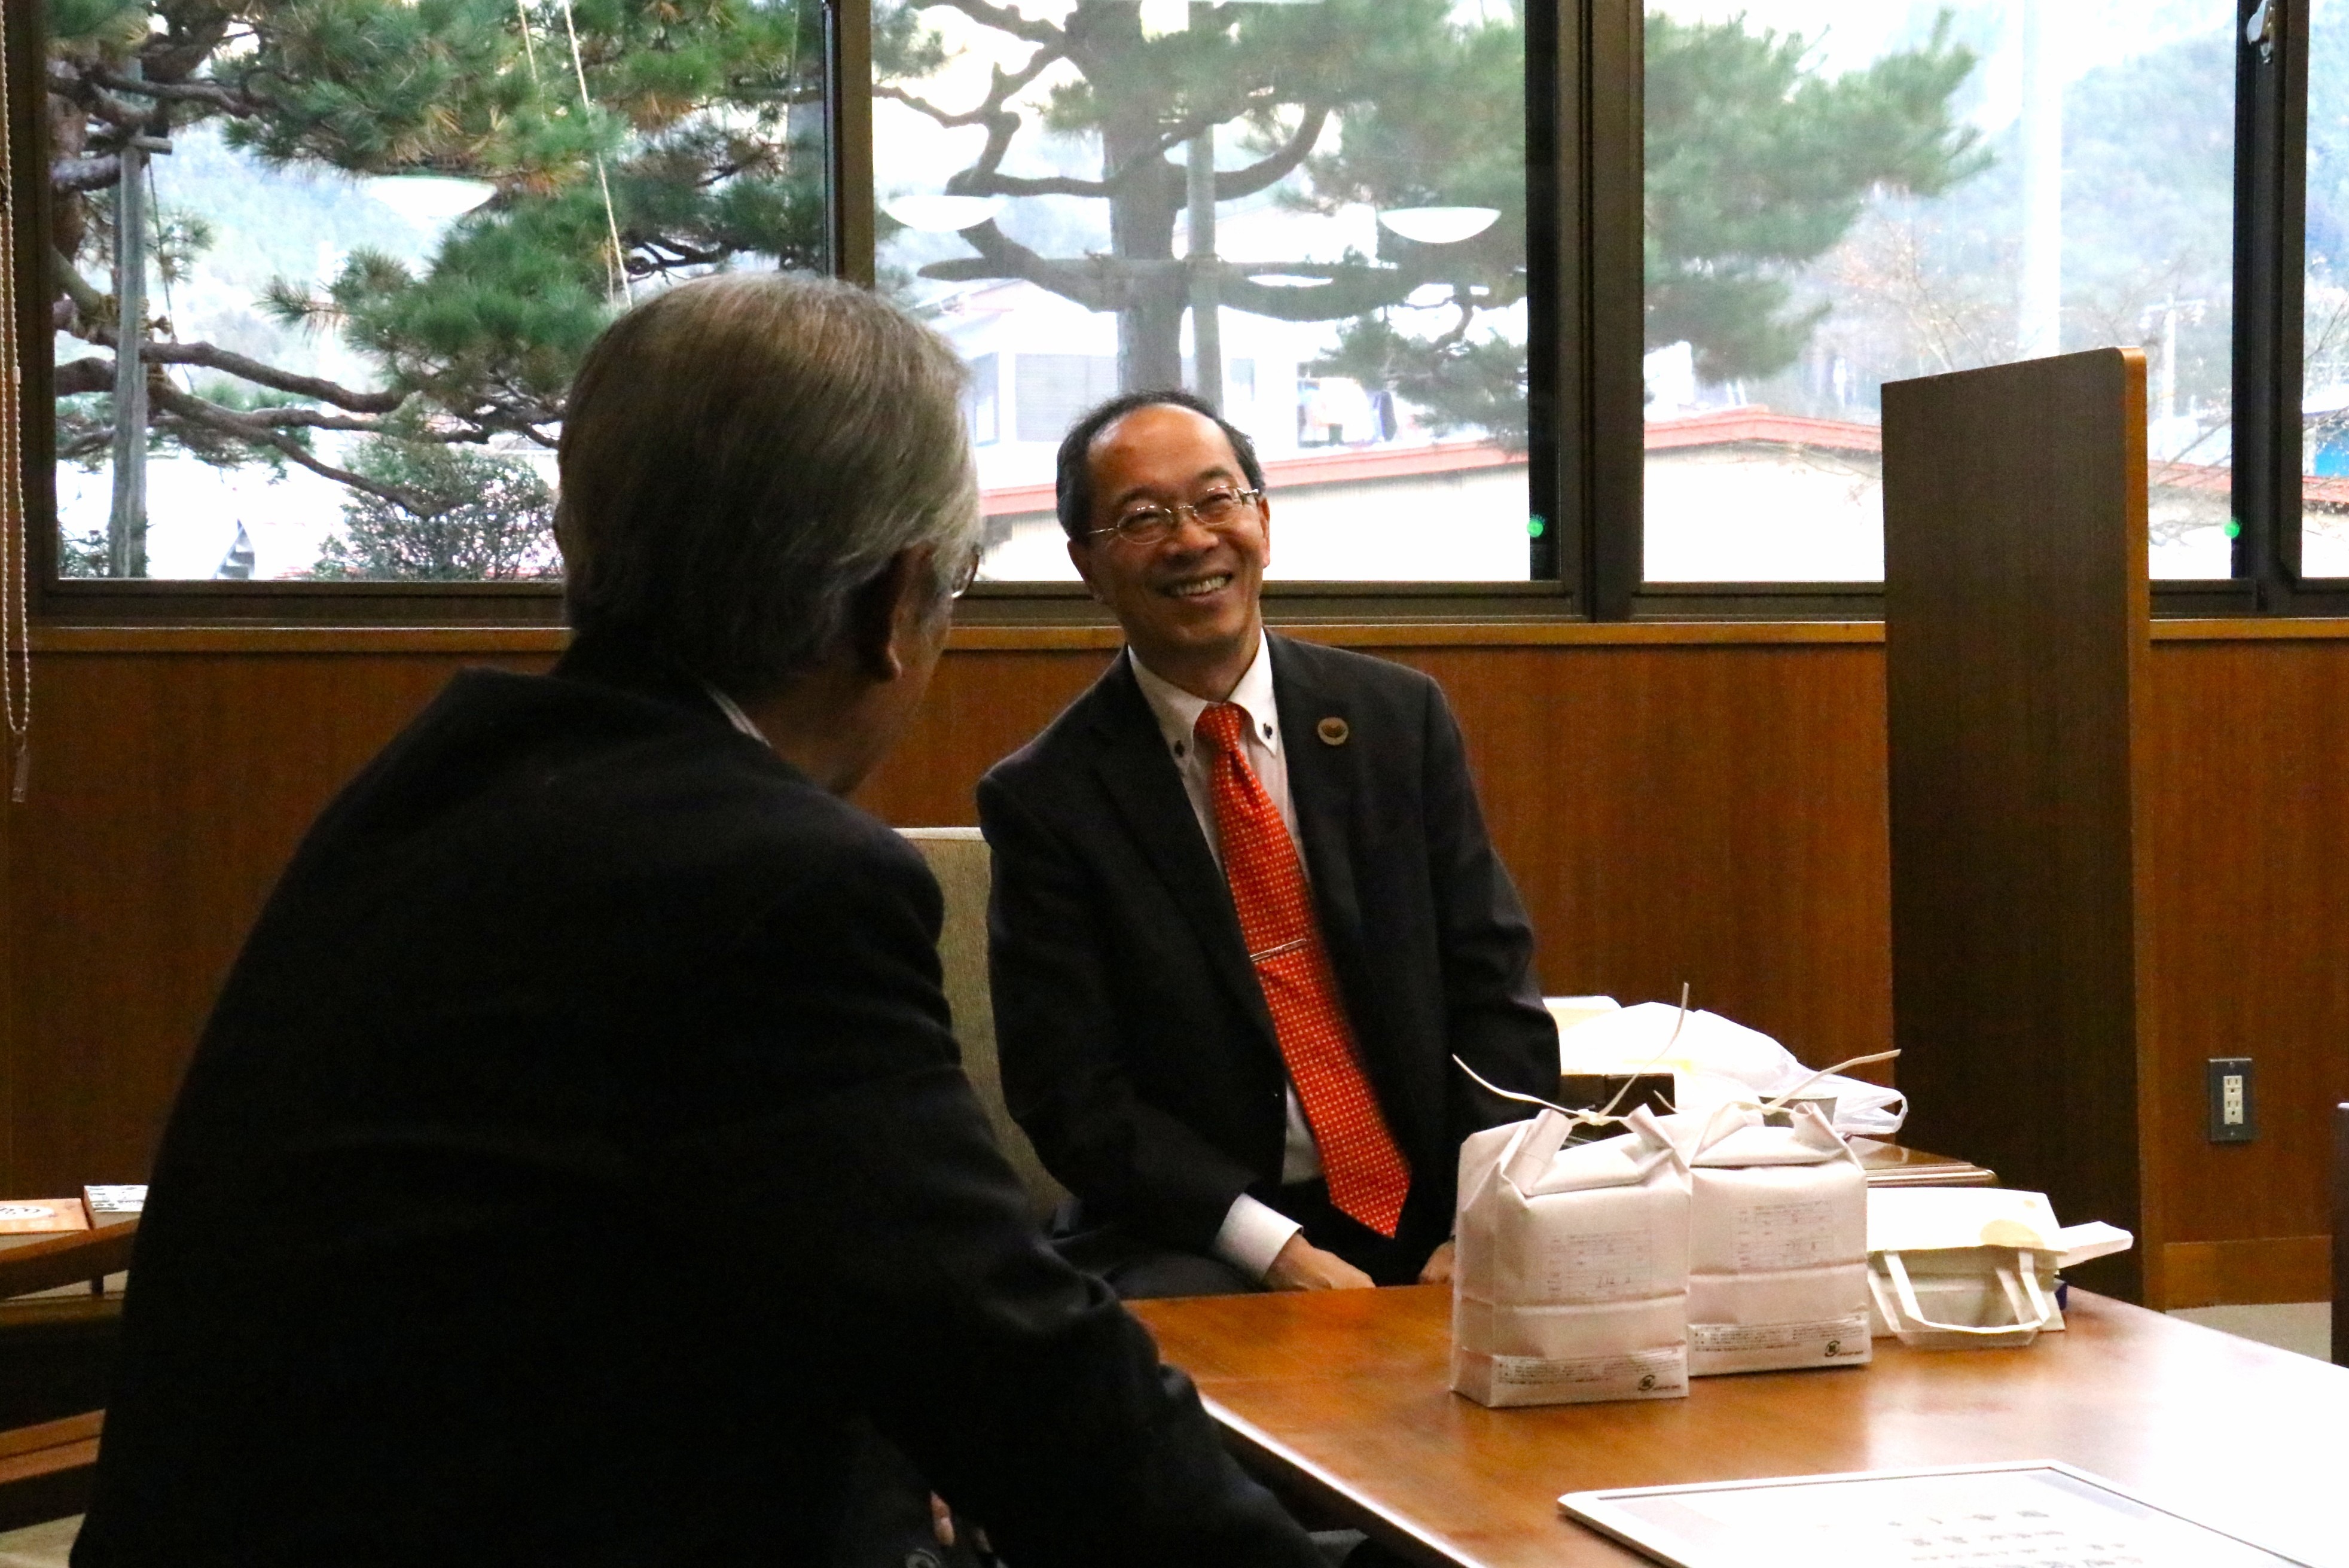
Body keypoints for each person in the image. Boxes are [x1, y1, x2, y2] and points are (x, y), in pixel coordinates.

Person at [74, 278, 1324, 1568]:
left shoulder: (447, 780)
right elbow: (1014, 1373)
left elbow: (782, 1268)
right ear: (888, 605)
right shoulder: (768, 880)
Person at [978, 391, 1560, 1301]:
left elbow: (1496, 996)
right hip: (1206, 1231)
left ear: (1262, 520)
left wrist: (1473, 1218)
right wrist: (1279, 1253)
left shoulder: (1395, 723)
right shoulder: (1046, 798)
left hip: (1430, 1206)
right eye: (1142, 517)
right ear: (1086, 563)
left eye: (1216, 500)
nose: (1191, 540)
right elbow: (1075, 1096)